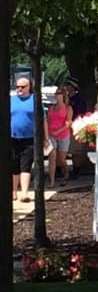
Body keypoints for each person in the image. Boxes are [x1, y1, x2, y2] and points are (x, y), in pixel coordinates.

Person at [10, 74, 34, 203]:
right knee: (14, 166)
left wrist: (45, 138)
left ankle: (24, 193)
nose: (19, 89)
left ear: (29, 87)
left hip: (29, 138)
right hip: (12, 138)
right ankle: (13, 191)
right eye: (17, 86)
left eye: (23, 87)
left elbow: (43, 120)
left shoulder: (34, 100)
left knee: (26, 165)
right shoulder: (11, 100)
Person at [46, 84, 74, 186]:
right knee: (52, 157)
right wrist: (47, 134)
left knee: (61, 159)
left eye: (59, 94)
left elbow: (68, 122)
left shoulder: (68, 108)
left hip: (63, 134)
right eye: (56, 94)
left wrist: (58, 131)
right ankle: (52, 181)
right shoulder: (51, 108)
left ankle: (66, 172)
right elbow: (48, 121)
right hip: (51, 134)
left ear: (63, 96)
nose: (57, 96)